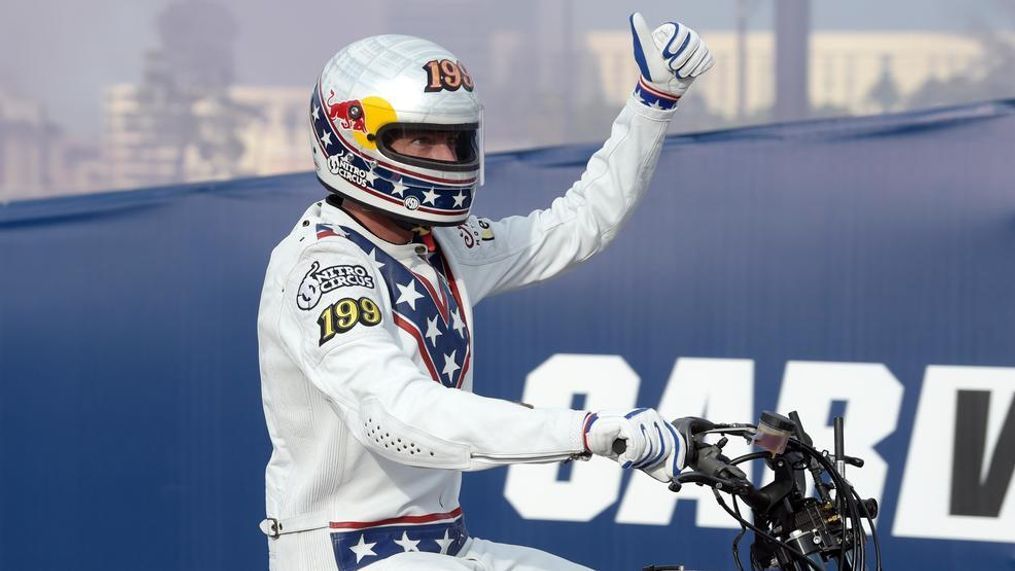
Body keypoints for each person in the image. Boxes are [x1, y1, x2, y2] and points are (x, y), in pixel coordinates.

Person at [257, 12, 714, 570]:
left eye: (455, 140)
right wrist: (591, 432)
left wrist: (652, 102)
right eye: (422, 139)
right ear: (352, 138)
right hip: (346, 554)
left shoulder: (441, 243)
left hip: (442, 544)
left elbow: (574, 226)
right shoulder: (325, 268)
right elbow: (397, 415)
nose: (447, 159)